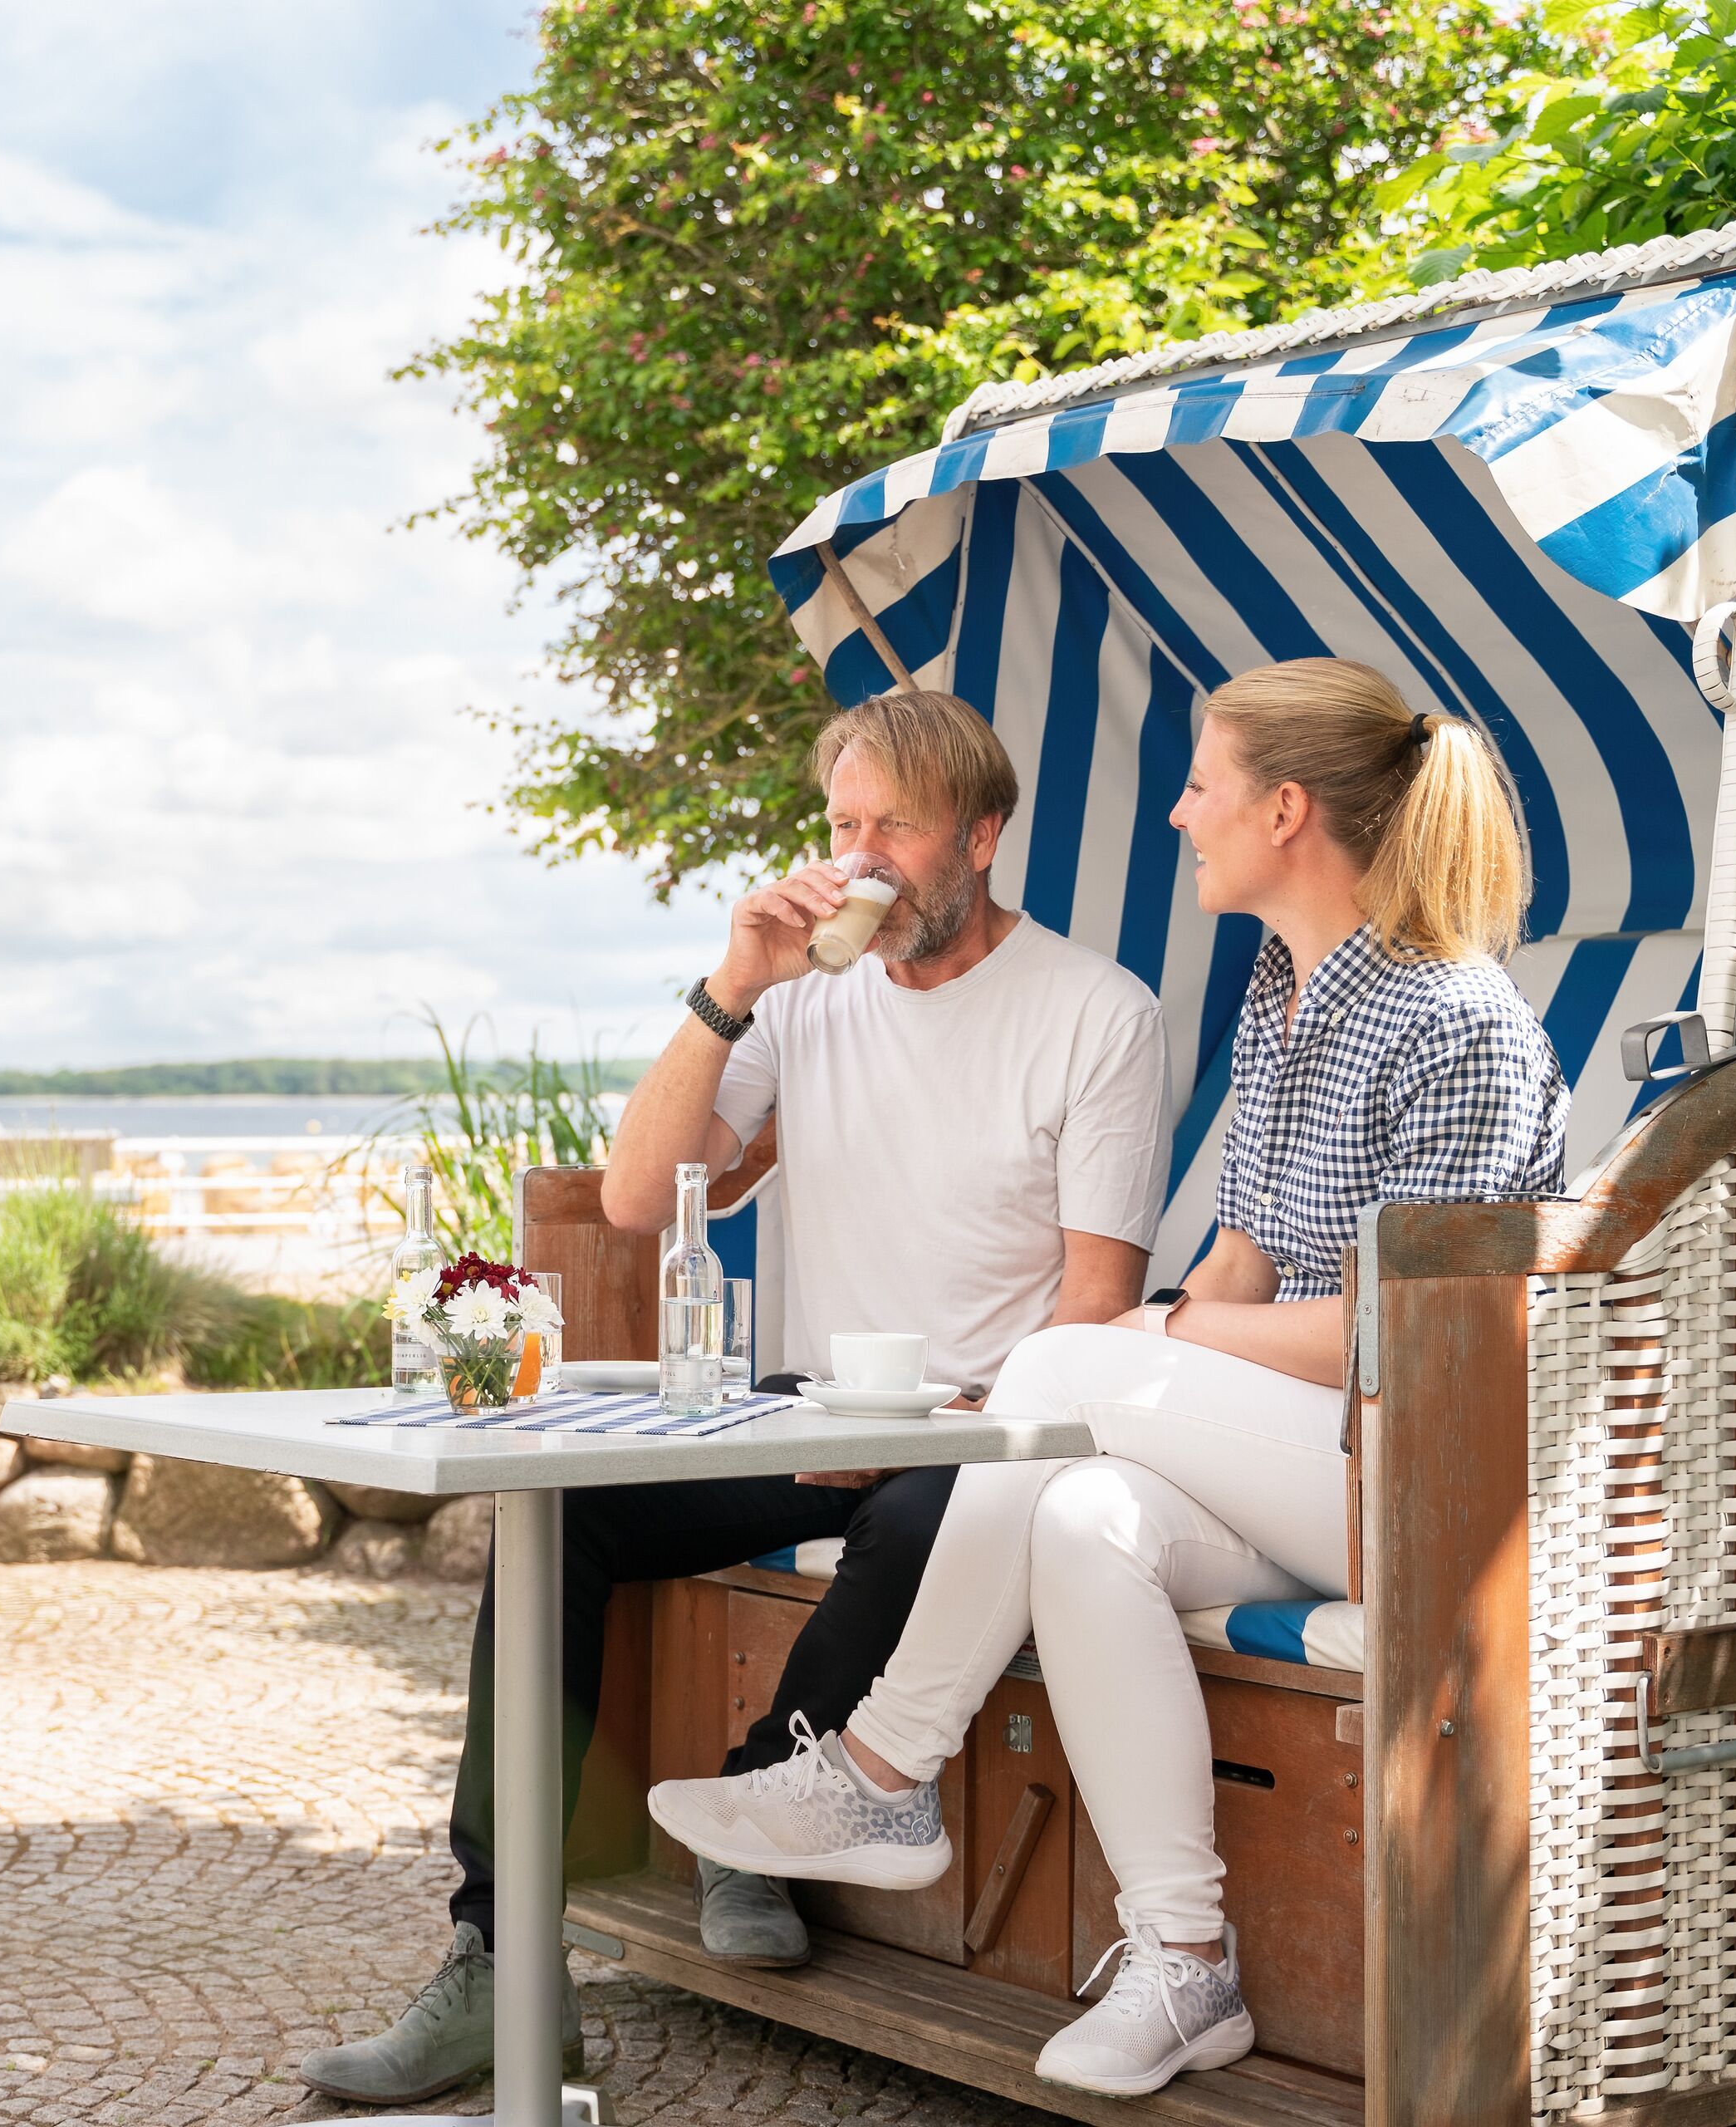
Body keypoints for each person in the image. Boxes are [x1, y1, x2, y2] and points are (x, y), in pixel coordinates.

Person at [647, 658, 1567, 2100]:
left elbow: (1418, 1338)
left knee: (1075, 1352)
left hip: (1434, 1490)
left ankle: (882, 1773)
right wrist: (1174, 1326)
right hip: (1304, 1464)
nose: (1179, 817)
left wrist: (1151, 1341)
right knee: (1082, 1513)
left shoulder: (1457, 1020)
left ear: (1282, 811)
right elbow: (1252, 1263)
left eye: (1200, 788)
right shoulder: (1288, 990)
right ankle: (1186, 1966)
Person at [301, 690, 1170, 2107]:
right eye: (842, 823)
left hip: (979, 1431)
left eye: (893, 824)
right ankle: (498, 1958)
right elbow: (640, 1197)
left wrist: (928, 1436)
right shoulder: (809, 996)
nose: (862, 853)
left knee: (931, 1509)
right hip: (801, 1413)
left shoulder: (1095, 1013)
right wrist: (733, 984)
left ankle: (753, 1817)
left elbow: (1095, 1305)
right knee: (559, 1513)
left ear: (983, 836)